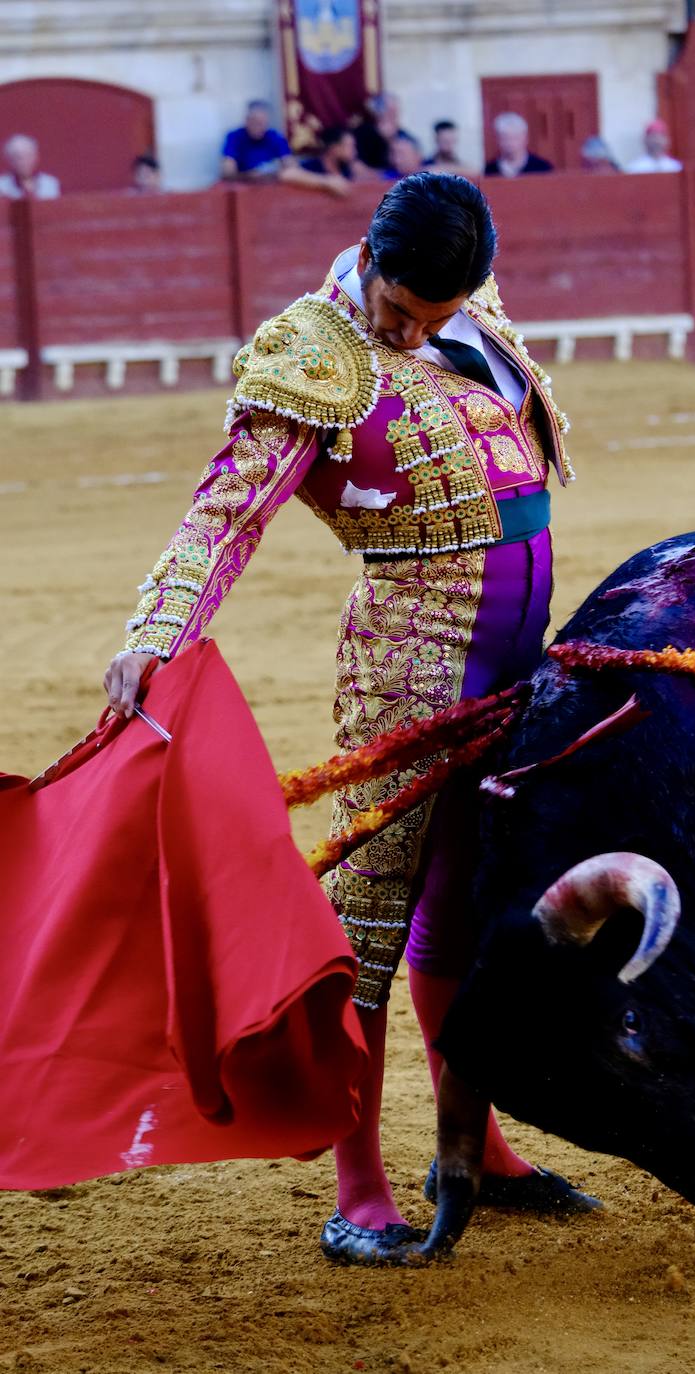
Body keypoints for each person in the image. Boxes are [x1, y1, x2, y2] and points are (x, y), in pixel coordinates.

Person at [104, 171, 598, 1267]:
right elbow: (225, 510)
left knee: (468, 904)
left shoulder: (468, 306)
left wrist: (445, 323)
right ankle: (357, 1179)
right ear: (367, 253)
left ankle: (478, 1146)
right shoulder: (310, 350)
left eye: (435, 315)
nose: (412, 330)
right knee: (371, 920)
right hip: (409, 666)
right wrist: (159, 627)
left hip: (517, 651)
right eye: (402, 309)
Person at [221, 100, 294, 181]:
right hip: (243, 185)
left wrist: (275, 172)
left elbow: (292, 167)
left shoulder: (276, 137)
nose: (259, 127)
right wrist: (248, 175)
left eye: (263, 123)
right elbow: (227, 172)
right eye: (255, 122)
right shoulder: (234, 137)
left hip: (271, 184)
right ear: (247, 120)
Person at [354, 92, 411, 172]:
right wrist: (383, 139)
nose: (394, 115)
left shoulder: (402, 134)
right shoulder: (363, 132)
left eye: (396, 111)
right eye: (390, 111)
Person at [484, 113, 553, 177]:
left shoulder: (542, 168)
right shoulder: (490, 170)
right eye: (505, 138)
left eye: (515, 138)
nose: (510, 143)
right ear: (497, 140)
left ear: (525, 139)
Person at [0, 134, 60, 199]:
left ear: (36, 158)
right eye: (18, 157)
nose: (23, 162)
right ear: (9, 160)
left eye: (28, 156)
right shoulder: (2, 186)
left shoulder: (50, 183)